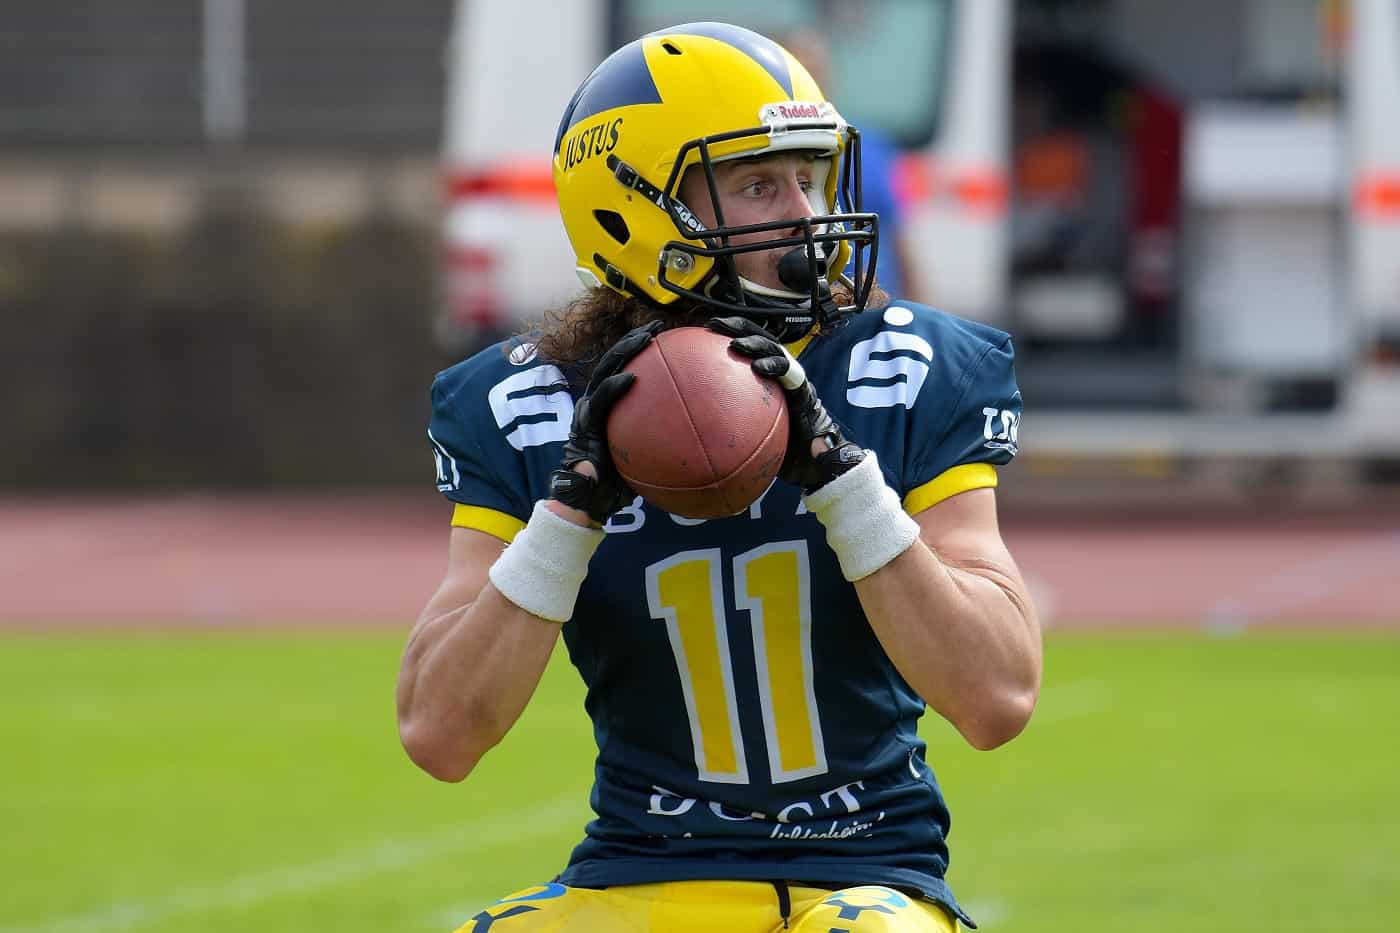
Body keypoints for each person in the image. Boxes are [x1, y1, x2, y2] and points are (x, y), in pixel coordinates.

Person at [399, 21, 1040, 933]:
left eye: (811, 176)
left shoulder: (906, 364)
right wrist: (569, 512)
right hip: (639, 872)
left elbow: (998, 697)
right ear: (638, 209)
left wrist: (841, 477)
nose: (811, 217)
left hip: (866, 873)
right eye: (758, 183)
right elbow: (440, 733)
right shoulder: (529, 398)